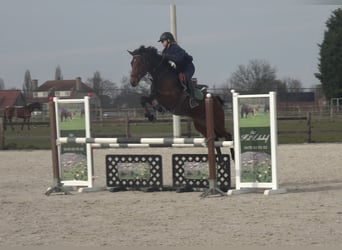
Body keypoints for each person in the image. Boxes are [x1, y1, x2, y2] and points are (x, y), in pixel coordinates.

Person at [158, 32, 198, 107]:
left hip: (188, 67)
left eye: (163, 41)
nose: (162, 43)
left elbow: (178, 59)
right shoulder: (164, 51)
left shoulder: (176, 48)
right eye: (161, 42)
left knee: (186, 77)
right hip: (179, 69)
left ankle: (193, 99)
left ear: (168, 40)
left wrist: (167, 56)